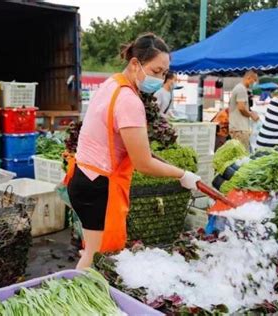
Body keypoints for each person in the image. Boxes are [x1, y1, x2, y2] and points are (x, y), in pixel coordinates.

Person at [64, 33, 202, 270]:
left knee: (91, 252)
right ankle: (76, 299)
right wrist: (182, 175)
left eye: (164, 74)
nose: (160, 78)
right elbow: (143, 162)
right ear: (136, 63)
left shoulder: (113, 83)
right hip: (99, 185)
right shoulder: (129, 101)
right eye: (156, 71)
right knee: (94, 259)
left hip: (83, 177)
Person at [228, 70, 260, 151]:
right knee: (242, 155)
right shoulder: (241, 89)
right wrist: (251, 115)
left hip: (238, 128)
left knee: (238, 154)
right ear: (249, 78)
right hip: (240, 129)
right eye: (255, 80)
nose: (255, 83)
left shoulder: (240, 88)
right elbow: (241, 108)